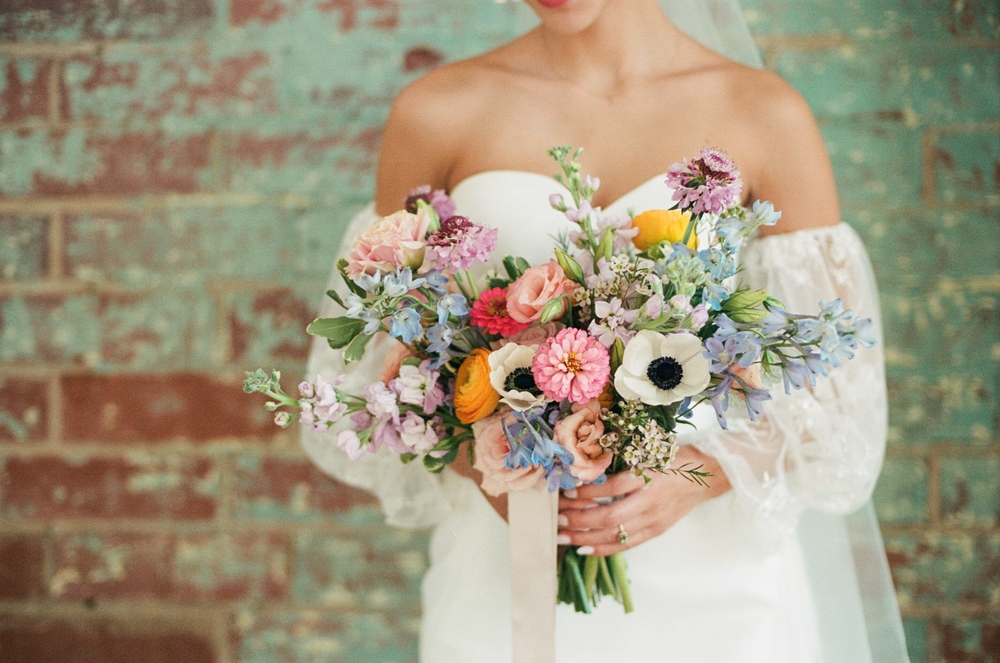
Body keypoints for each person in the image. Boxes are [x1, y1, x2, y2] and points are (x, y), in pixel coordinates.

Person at [301, 1, 911, 661]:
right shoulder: (438, 111)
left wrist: (694, 474)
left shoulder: (762, 112)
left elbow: (835, 394)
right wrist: (494, 471)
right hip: (504, 575)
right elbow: (392, 363)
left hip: (716, 588)